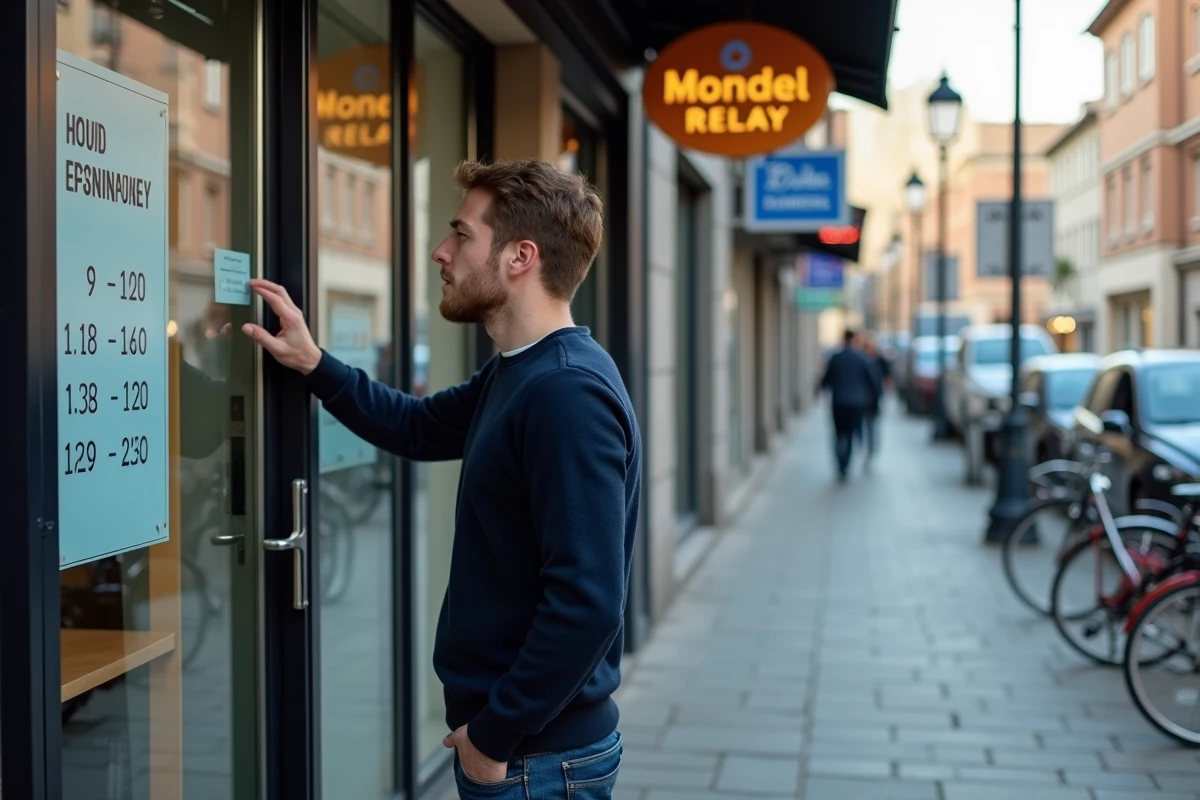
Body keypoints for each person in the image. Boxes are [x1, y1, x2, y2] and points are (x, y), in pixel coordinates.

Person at [242, 159, 641, 799]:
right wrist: (315, 364)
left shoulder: (566, 393)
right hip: (523, 751)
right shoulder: (520, 371)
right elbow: (420, 426)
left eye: (461, 234)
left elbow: (588, 603)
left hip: (536, 761)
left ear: (520, 257)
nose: (441, 251)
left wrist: (495, 735)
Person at [820, 328, 882, 480]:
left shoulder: (835, 358)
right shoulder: (862, 358)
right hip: (856, 403)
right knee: (850, 434)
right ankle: (845, 464)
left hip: (838, 402)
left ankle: (840, 463)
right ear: (854, 340)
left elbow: (825, 380)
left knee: (838, 433)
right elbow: (873, 382)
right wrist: (875, 400)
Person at [860, 333, 891, 460]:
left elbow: (888, 377)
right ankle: (863, 446)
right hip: (861, 398)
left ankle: (871, 448)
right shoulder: (860, 359)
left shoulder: (880, 360)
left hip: (873, 399)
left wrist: (882, 388)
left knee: (872, 424)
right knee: (862, 424)